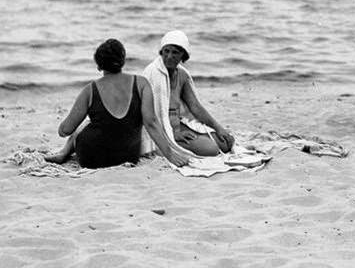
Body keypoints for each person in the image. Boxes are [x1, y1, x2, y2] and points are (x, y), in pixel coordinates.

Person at [45, 39, 189, 168]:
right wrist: (170, 154)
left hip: (91, 158)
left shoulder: (90, 90)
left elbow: (65, 130)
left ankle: (64, 153)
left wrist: (62, 128)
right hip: (128, 156)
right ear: (123, 61)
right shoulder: (141, 84)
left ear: (99, 66)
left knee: (85, 125)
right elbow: (151, 123)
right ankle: (63, 152)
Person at [142, 30, 235, 157]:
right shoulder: (153, 73)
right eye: (166, 51)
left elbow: (195, 106)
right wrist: (173, 133)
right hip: (160, 131)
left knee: (226, 143)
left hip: (178, 126)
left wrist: (218, 127)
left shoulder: (182, 75)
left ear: (183, 56)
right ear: (161, 52)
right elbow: (150, 116)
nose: (169, 56)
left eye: (175, 52)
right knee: (211, 149)